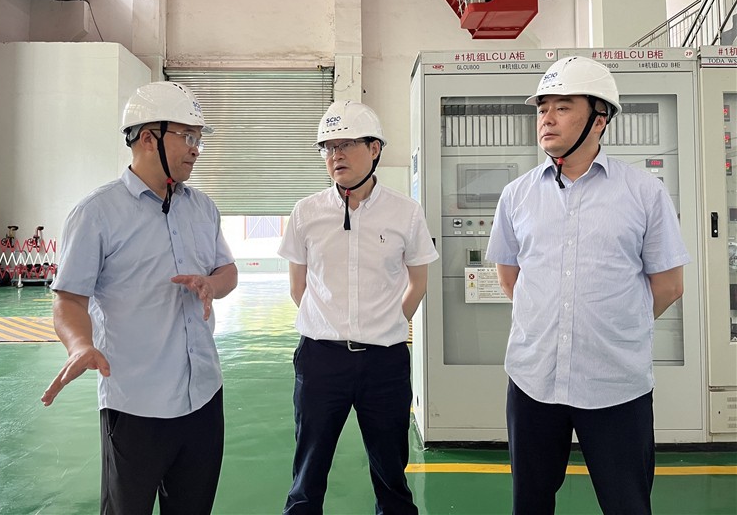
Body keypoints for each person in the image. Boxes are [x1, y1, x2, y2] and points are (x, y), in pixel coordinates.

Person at [486, 56, 690, 515]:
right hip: (533, 381)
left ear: (600, 118)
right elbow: (509, 275)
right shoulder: (517, 195)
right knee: (530, 504)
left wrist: (612, 327)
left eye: (562, 107)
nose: (546, 119)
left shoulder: (644, 192)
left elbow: (669, 285)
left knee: (627, 504)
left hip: (614, 385)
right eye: (542, 109)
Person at [40, 81, 238, 515]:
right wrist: (80, 344)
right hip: (136, 404)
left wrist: (212, 285)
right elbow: (68, 299)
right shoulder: (96, 214)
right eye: (187, 136)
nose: (196, 149)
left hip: (204, 396)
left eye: (198, 139)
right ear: (148, 138)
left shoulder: (202, 208)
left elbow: (227, 271)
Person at [278, 100, 439, 514]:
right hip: (320, 361)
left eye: (346, 144)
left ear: (374, 149)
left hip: (384, 362)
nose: (336, 155)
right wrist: (329, 323)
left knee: (391, 471)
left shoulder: (405, 213)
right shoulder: (306, 212)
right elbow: (298, 286)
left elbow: (418, 282)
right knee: (308, 471)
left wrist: (388, 323)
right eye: (328, 147)